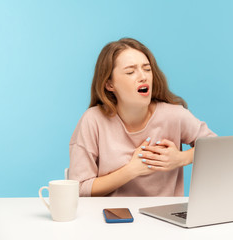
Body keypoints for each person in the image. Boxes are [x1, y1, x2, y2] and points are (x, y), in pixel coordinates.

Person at [69, 38, 216, 197]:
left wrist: (181, 158)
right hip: (110, 217)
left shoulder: (175, 115)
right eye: (131, 72)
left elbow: (217, 148)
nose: (143, 77)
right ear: (109, 84)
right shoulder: (93, 120)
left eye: (147, 69)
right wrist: (131, 170)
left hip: (165, 217)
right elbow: (79, 188)